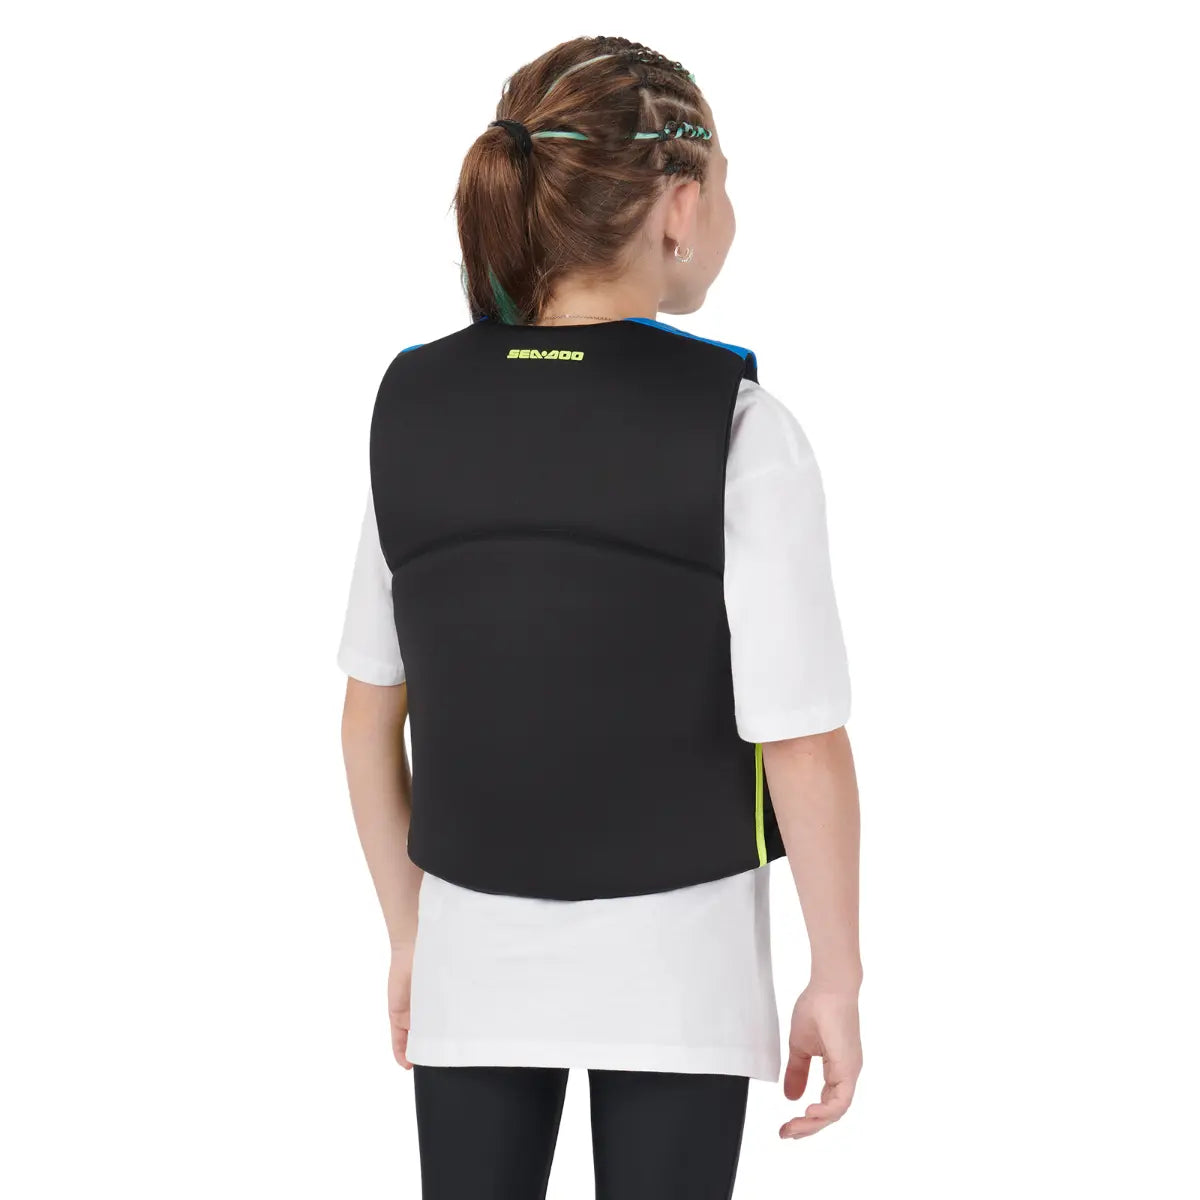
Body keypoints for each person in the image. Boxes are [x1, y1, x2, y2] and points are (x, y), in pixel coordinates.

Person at [338, 34, 863, 1200]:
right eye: (726, 183)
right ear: (680, 206)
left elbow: (369, 719)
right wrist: (837, 974)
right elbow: (802, 737)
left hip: (472, 952)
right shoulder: (740, 426)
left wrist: (414, 938)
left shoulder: (413, 406)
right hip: (681, 963)